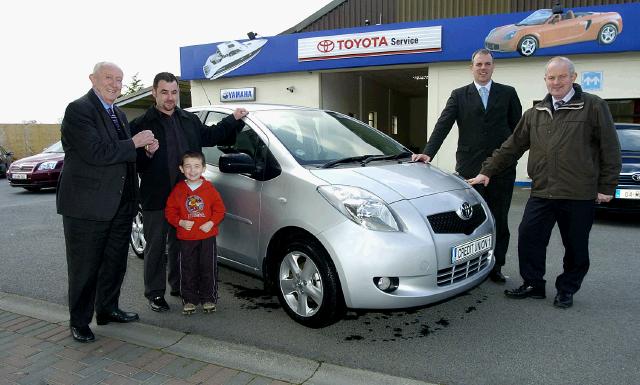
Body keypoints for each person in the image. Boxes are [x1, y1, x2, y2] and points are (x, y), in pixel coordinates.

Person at [468, 56, 621, 308]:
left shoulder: (593, 106)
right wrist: (488, 171)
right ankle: (533, 284)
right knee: (529, 237)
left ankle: (567, 289)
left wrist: (607, 186)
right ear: (545, 80)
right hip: (542, 191)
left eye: (562, 76)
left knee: (575, 247)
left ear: (573, 77)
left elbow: (610, 148)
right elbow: (511, 146)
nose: (556, 82)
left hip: (578, 193)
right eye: (551, 77)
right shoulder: (535, 112)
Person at [129, 72, 247, 312]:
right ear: (154, 93)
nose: (170, 97)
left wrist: (233, 119)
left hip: (187, 197)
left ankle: (179, 285)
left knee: (179, 244)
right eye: (164, 92)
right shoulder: (140, 125)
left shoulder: (189, 120)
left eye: (174, 92)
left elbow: (212, 136)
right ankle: (154, 294)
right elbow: (133, 163)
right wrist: (148, 153)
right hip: (157, 196)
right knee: (155, 245)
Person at [57, 62, 156, 342]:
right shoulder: (79, 110)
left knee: (115, 263)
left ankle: (107, 309)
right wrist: (134, 143)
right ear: (93, 79)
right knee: (85, 266)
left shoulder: (119, 114)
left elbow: (124, 156)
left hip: (120, 205)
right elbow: (95, 152)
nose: (115, 84)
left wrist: (146, 152)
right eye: (109, 78)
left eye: (119, 80)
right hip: (87, 207)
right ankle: (79, 321)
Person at [412, 48, 522, 283]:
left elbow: (518, 133)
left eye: (487, 64)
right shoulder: (459, 95)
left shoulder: (508, 93)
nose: (483, 68)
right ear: (471, 67)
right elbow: (443, 125)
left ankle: (496, 266)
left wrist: (510, 159)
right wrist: (428, 153)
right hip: (469, 170)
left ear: (493, 67)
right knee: (469, 220)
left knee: (498, 220)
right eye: (479, 64)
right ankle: (469, 263)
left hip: (501, 170)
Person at [165, 151, 225, 315]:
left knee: (208, 268)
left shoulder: (209, 189)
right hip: (186, 238)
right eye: (188, 166)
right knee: (187, 268)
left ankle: (208, 298)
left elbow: (220, 210)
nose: (192, 170)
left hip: (207, 237)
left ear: (203, 168)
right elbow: (170, 211)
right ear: (181, 169)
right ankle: (189, 300)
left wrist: (211, 222)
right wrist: (180, 222)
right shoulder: (178, 190)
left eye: (197, 166)